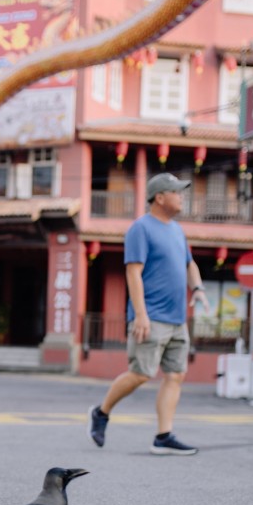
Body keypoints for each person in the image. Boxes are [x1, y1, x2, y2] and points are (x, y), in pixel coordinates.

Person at [88, 173, 208, 455]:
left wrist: (199, 289)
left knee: (175, 375)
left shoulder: (177, 230)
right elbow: (133, 272)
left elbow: (190, 264)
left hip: (177, 318)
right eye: (177, 192)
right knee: (141, 374)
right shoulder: (141, 228)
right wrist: (140, 315)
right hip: (151, 316)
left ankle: (163, 436)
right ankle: (101, 412)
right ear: (160, 197)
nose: (182, 197)